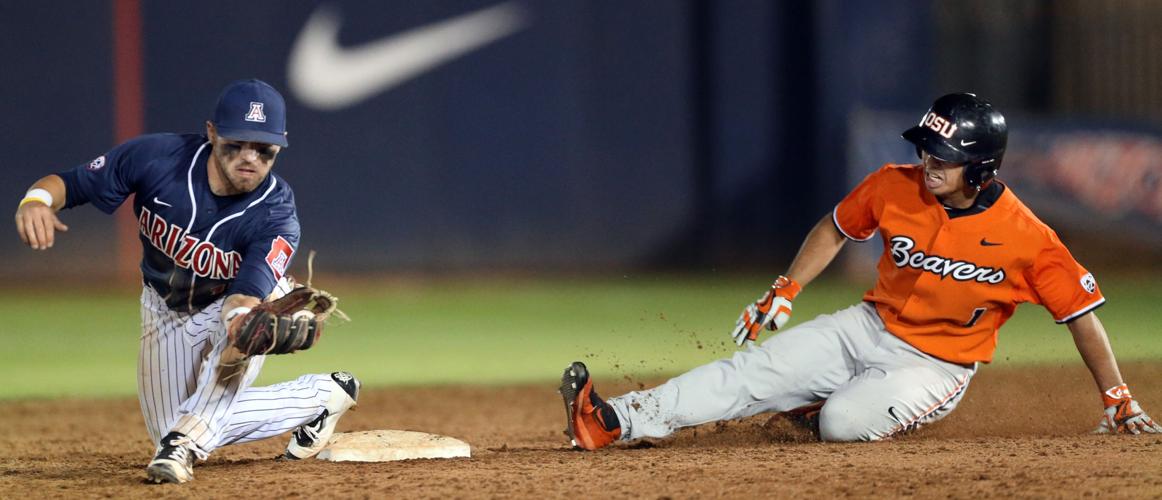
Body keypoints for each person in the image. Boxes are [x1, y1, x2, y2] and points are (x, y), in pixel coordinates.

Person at [558, 93, 1161, 449]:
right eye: (927, 148)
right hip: (866, 326)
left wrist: (1118, 398)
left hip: (936, 367)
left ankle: (822, 411)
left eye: (945, 157)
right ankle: (614, 421)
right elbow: (834, 228)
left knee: (844, 423)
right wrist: (786, 288)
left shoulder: (1028, 238)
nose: (929, 161)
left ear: (981, 169)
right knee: (750, 372)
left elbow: (1082, 315)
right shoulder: (894, 186)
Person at [13, 79, 360, 483]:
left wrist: (242, 326)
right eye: (237, 143)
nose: (249, 157)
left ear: (279, 147)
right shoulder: (156, 158)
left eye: (263, 148)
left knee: (239, 340)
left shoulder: (276, 214)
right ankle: (322, 396)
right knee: (169, 426)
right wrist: (36, 201)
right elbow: (70, 184)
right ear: (212, 133)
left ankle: (182, 445)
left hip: (234, 300)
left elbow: (245, 295)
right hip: (164, 307)